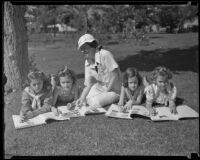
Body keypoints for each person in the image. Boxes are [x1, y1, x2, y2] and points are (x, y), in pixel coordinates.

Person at [76, 33, 122, 108]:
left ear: (93, 46)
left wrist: (106, 92)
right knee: (86, 97)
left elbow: (115, 76)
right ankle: (86, 100)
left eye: (84, 48)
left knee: (95, 102)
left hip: (115, 90)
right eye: (81, 49)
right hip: (101, 88)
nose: (82, 51)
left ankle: (119, 97)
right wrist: (82, 98)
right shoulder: (87, 62)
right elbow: (88, 84)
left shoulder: (105, 54)